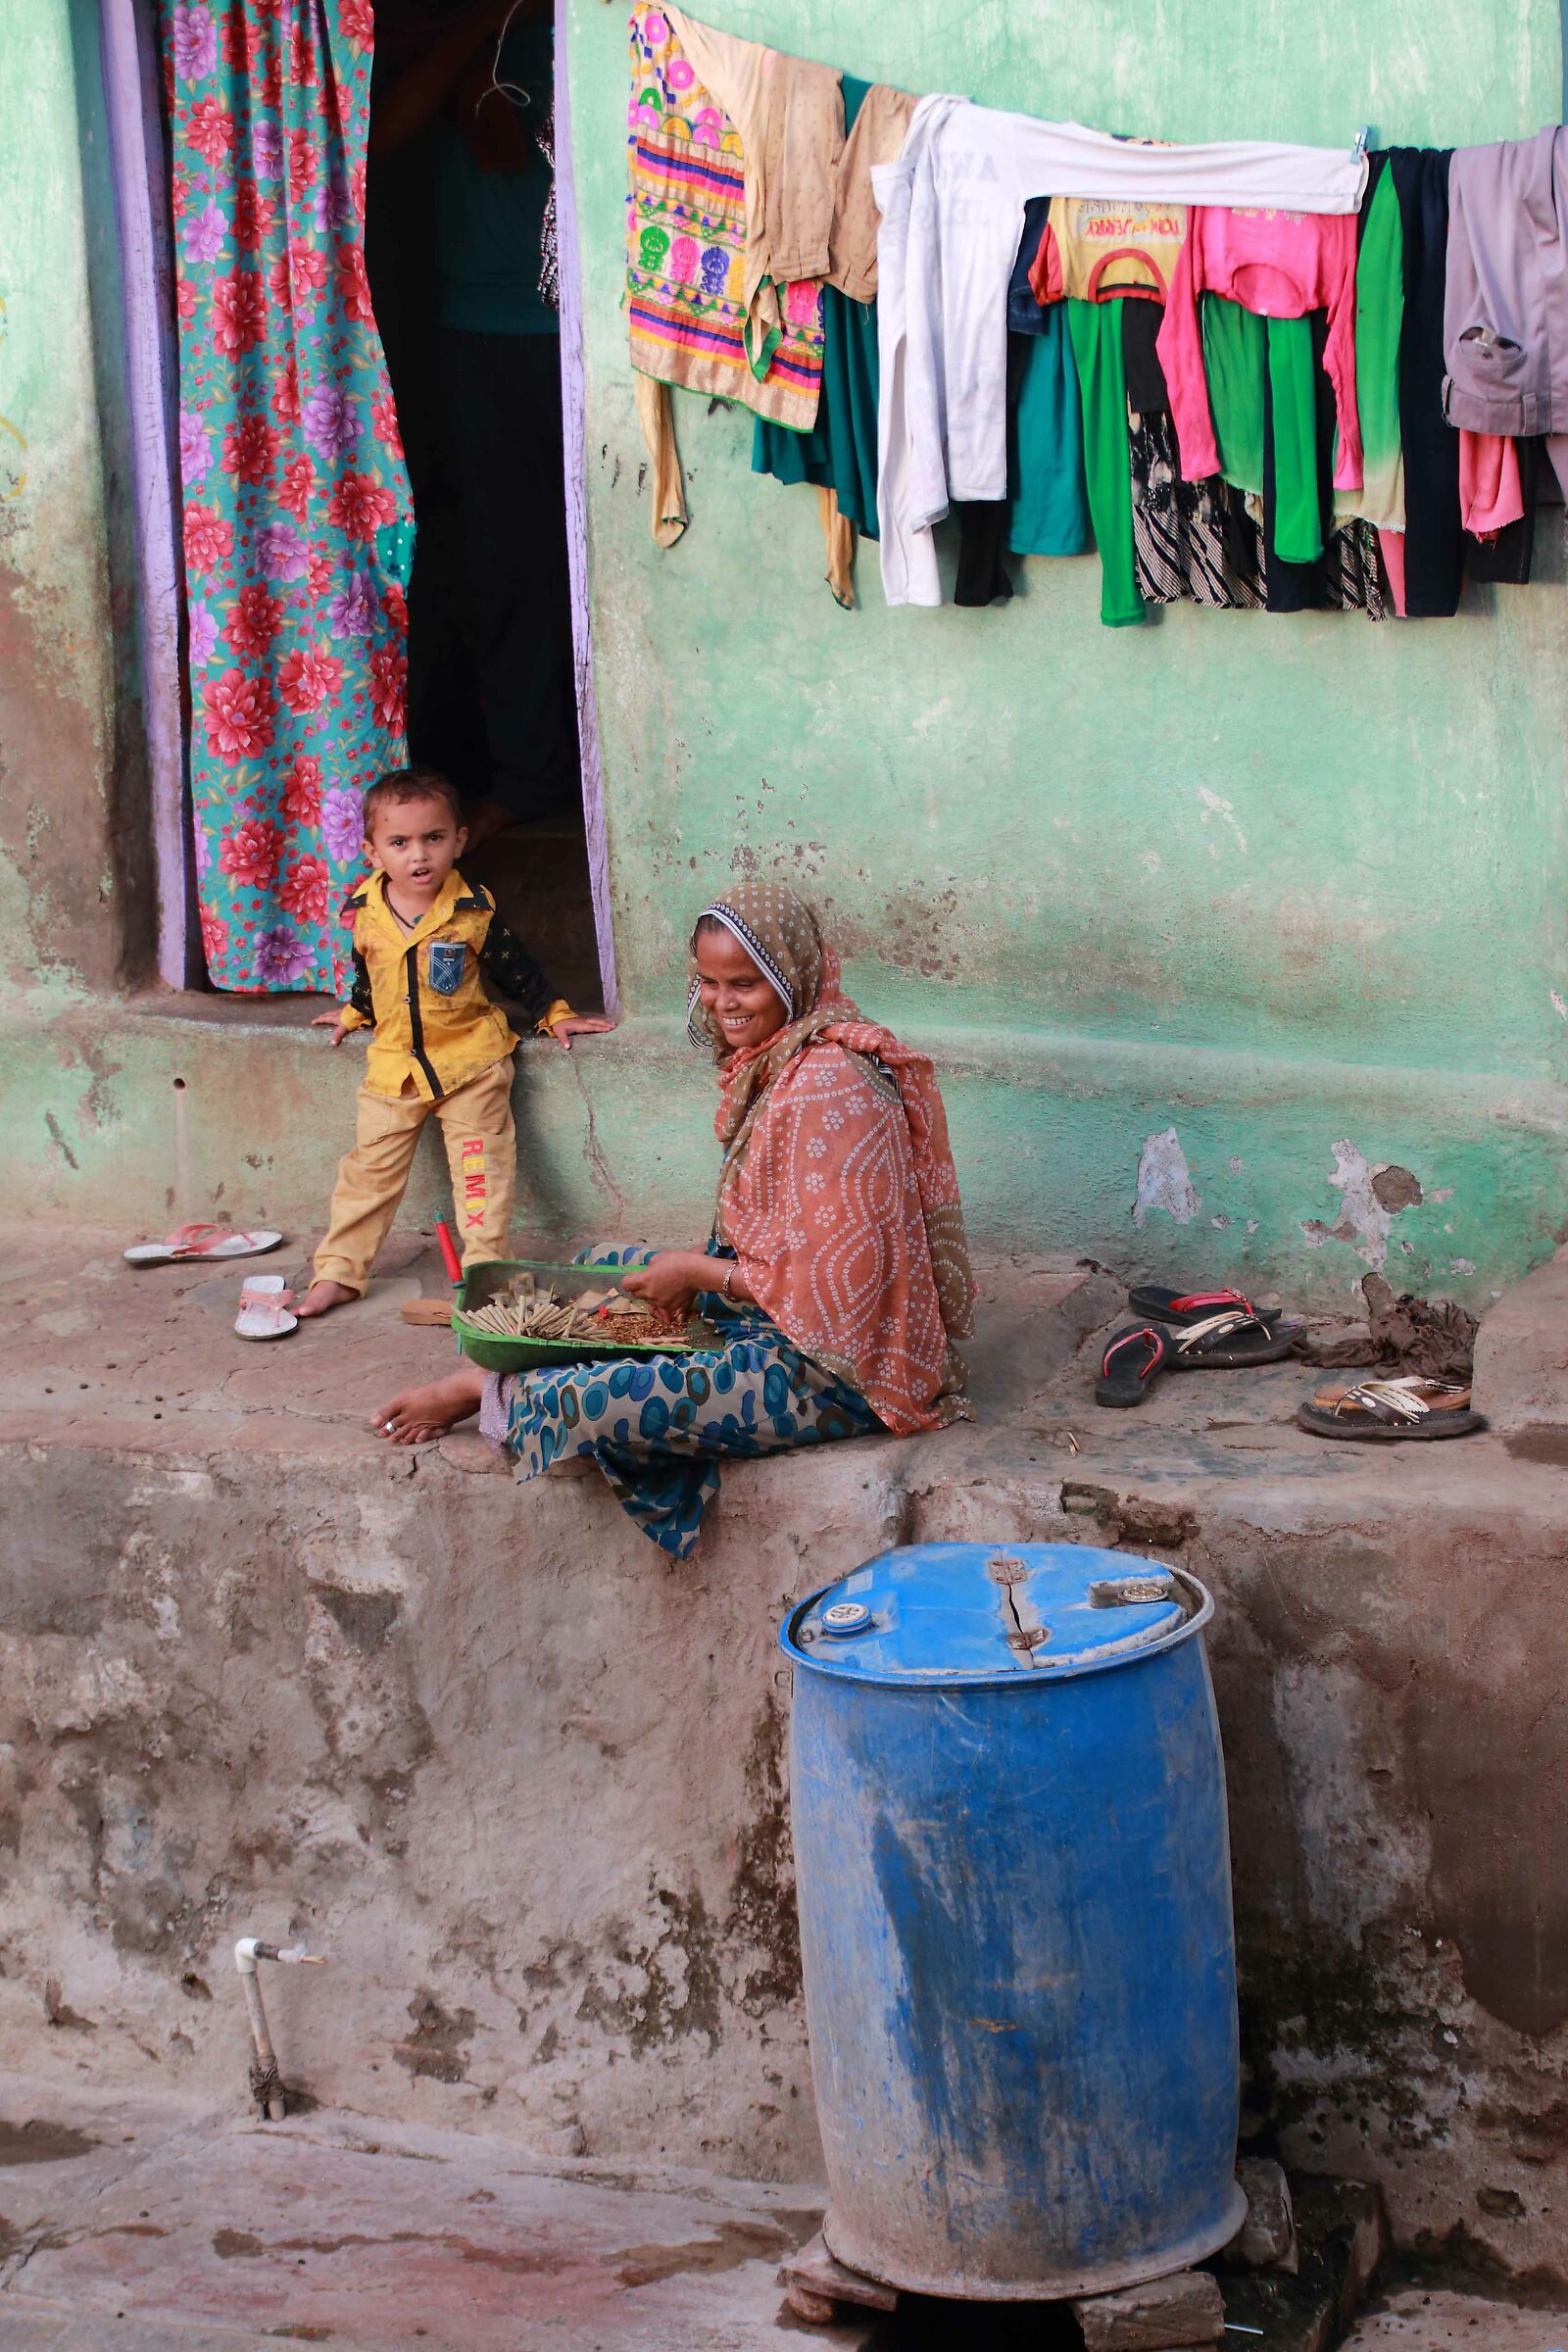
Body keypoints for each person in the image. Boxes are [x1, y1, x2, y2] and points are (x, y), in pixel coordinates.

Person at [371, 880, 977, 1554]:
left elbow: (836, 1292)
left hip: (840, 1372)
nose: (722, 1004)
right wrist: (692, 1273)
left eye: (744, 983)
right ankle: (516, 1377)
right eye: (709, 983)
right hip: (776, 1315)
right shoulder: (782, 1062)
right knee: (599, 1273)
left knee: (599, 1400)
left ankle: (490, 1393)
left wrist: (697, 1271)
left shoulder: (833, 1085)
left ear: (791, 977)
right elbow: (780, 1248)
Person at [371, 0, 576, 847]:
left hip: (587, 331)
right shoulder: (447, 34)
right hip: (481, 331)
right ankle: (528, 778)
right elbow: (383, 138)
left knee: (609, 559)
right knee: (508, 564)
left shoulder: (588, 34)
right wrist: (482, 25)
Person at [298, 767, 612, 1318]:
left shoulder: (472, 910)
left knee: (481, 1178)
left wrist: (553, 1014)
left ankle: (483, 1276)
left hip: (470, 1064)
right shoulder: (365, 911)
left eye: (434, 839)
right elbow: (368, 974)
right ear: (372, 851)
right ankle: (340, 1272)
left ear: (459, 840)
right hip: (394, 1069)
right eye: (399, 843)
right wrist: (356, 1012)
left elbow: (516, 970)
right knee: (366, 1176)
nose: (418, 856)